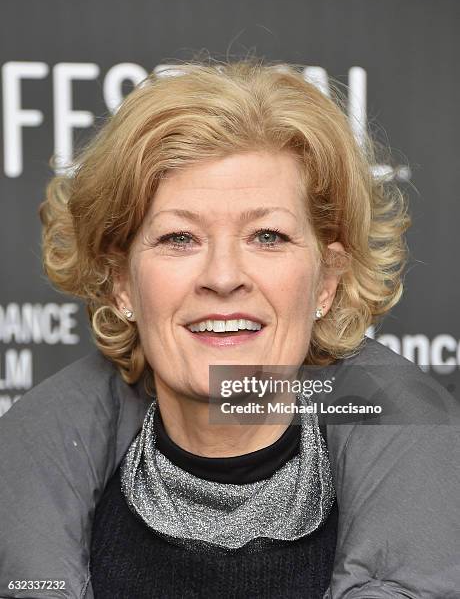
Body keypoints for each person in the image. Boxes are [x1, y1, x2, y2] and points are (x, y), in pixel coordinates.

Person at [0, 60, 458, 599]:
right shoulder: (36, 469)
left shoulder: (432, 481)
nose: (222, 278)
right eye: (179, 238)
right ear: (121, 282)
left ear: (327, 280)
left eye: (267, 236)